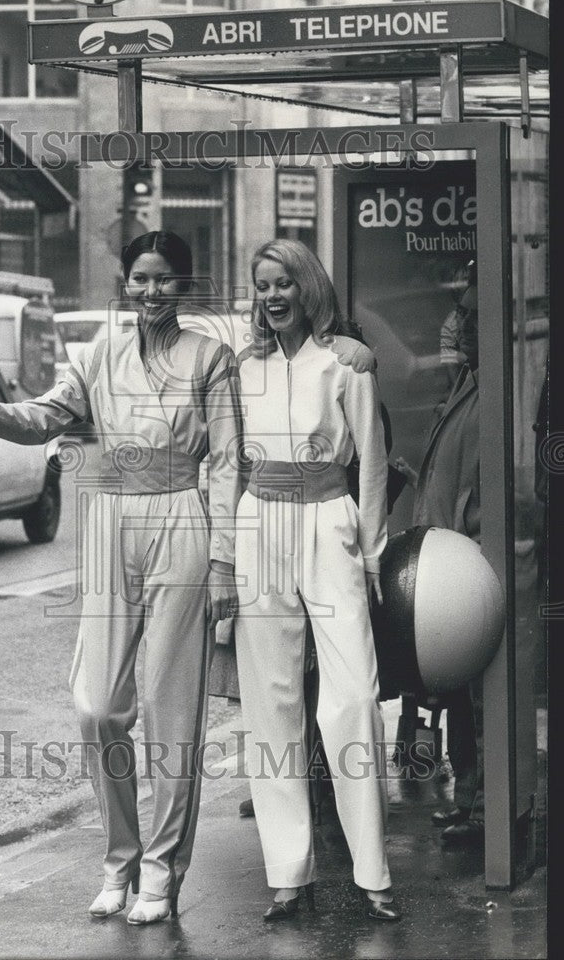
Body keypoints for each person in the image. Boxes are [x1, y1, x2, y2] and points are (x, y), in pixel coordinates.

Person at [0, 231, 244, 924]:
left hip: (182, 521)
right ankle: (119, 860)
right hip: (111, 523)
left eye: (165, 278)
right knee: (97, 706)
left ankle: (161, 871)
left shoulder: (211, 358)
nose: (152, 290)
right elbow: (44, 417)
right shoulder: (101, 354)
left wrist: (224, 558)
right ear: (126, 283)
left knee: (170, 711)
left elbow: (225, 463)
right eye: (141, 278)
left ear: (184, 285)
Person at [233, 238, 400, 922]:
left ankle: (373, 873)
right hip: (260, 523)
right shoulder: (243, 368)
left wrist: (370, 554)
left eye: (284, 285)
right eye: (263, 286)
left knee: (353, 696)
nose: (273, 297)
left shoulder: (346, 363)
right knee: (271, 706)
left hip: (329, 523)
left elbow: (373, 466)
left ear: (308, 288)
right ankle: (287, 873)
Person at [394, 280, 483, 846]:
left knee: (472, 697)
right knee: (456, 696)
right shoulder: (468, 384)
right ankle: (472, 797)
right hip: (450, 568)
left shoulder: (491, 388)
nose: (460, 326)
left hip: (469, 566)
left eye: (470, 315)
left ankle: (482, 804)